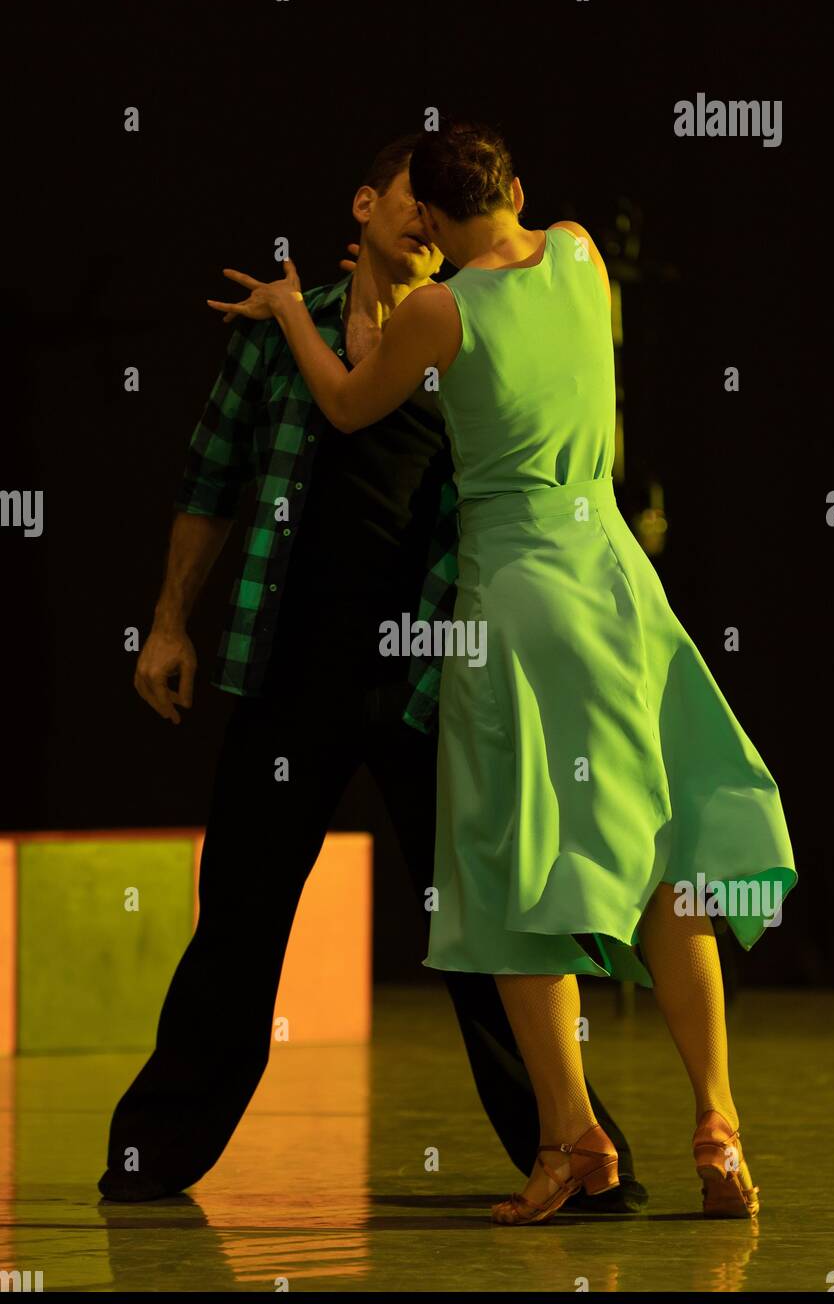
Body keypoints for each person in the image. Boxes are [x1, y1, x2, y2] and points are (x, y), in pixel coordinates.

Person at [210, 118, 798, 1226]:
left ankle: (571, 1138)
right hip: (618, 584)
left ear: (423, 220)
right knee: (672, 855)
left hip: (521, 600)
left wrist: (295, 310)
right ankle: (715, 1119)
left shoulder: (440, 309)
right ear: (517, 187)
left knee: (514, 870)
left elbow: (345, 402)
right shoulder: (576, 250)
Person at [97, 133, 645, 1211]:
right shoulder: (271, 342)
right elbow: (210, 478)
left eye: (440, 209)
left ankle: (575, 1149)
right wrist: (168, 624)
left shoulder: (471, 328)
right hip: (290, 670)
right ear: (365, 205)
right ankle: (151, 1152)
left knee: (486, 919)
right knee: (240, 920)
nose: (424, 222)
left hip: (433, 674)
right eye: (410, 199)